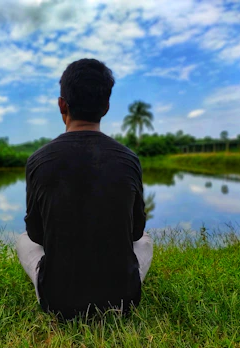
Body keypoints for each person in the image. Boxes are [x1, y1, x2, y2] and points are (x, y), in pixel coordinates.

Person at [16, 58, 153, 319]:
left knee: (22, 240)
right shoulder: (129, 159)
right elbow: (135, 232)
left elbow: (35, 234)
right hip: (123, 299)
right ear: (106, 106)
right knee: (146, 240)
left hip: (57, 301)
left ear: (62, 105)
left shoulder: (38, 160)